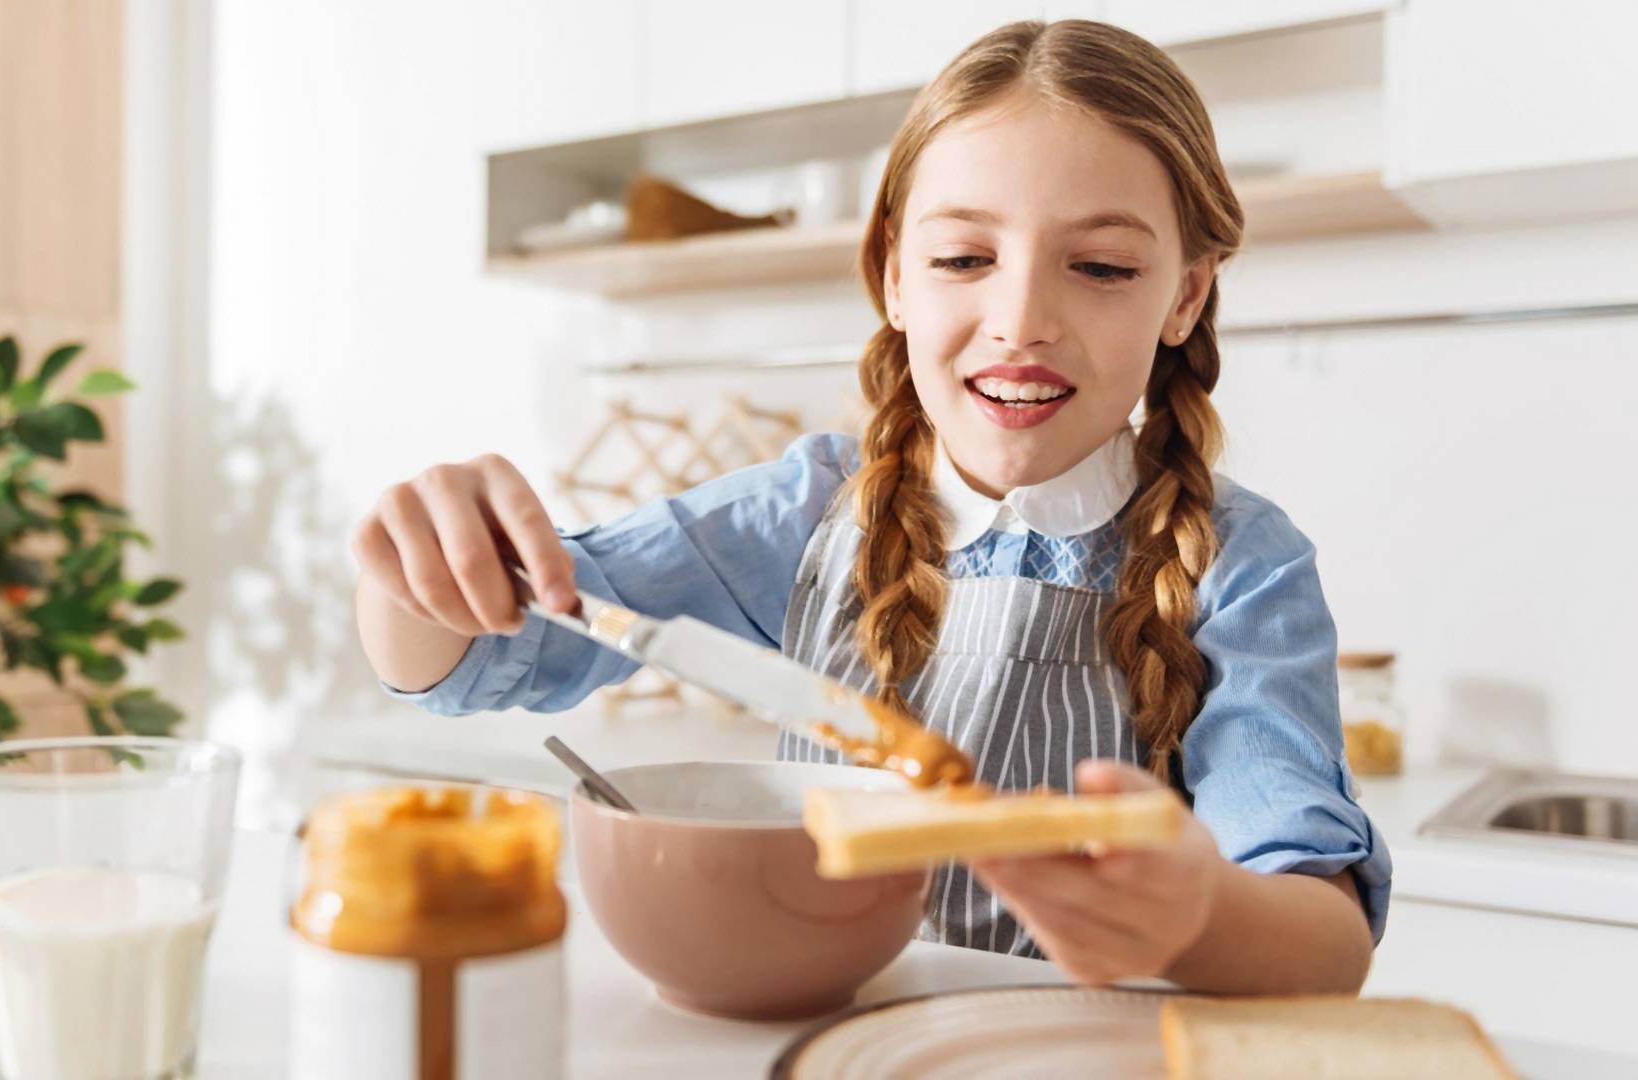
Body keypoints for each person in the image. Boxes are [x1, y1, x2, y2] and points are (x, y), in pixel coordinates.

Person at [354, 19, 1388, 993]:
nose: (1021, 319)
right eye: (963, 259)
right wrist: (419, 568)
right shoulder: (804, 514)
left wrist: (1201, 916)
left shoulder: (1242, 564)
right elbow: (483, 657)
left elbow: (1326, 938)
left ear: (1186, 297)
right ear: (895, 277)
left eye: (1103, 267)